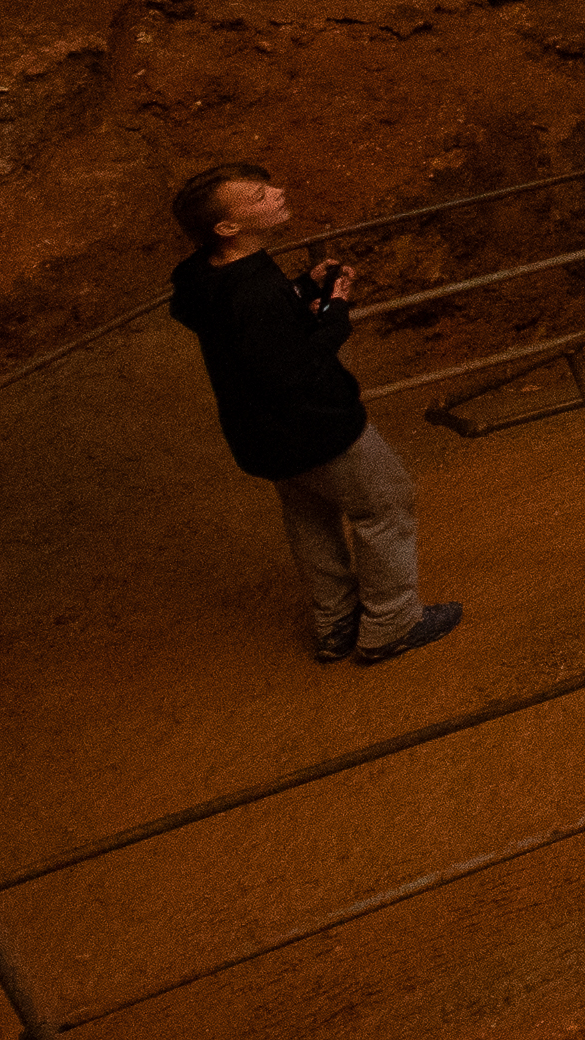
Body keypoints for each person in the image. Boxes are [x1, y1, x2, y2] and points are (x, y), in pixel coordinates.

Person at [166, 166, 461, 667]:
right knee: (385, 505)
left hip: (262, 436)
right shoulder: (253, 290)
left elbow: (248, 328)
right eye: (260, 195)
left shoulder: (203, 276)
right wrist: (335, 309)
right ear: (228, 228)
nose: (279, 192)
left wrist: (302, 288)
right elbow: (299, 365)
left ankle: (335, 622)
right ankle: (392, 622)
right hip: (316, 427)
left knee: (310, 516)